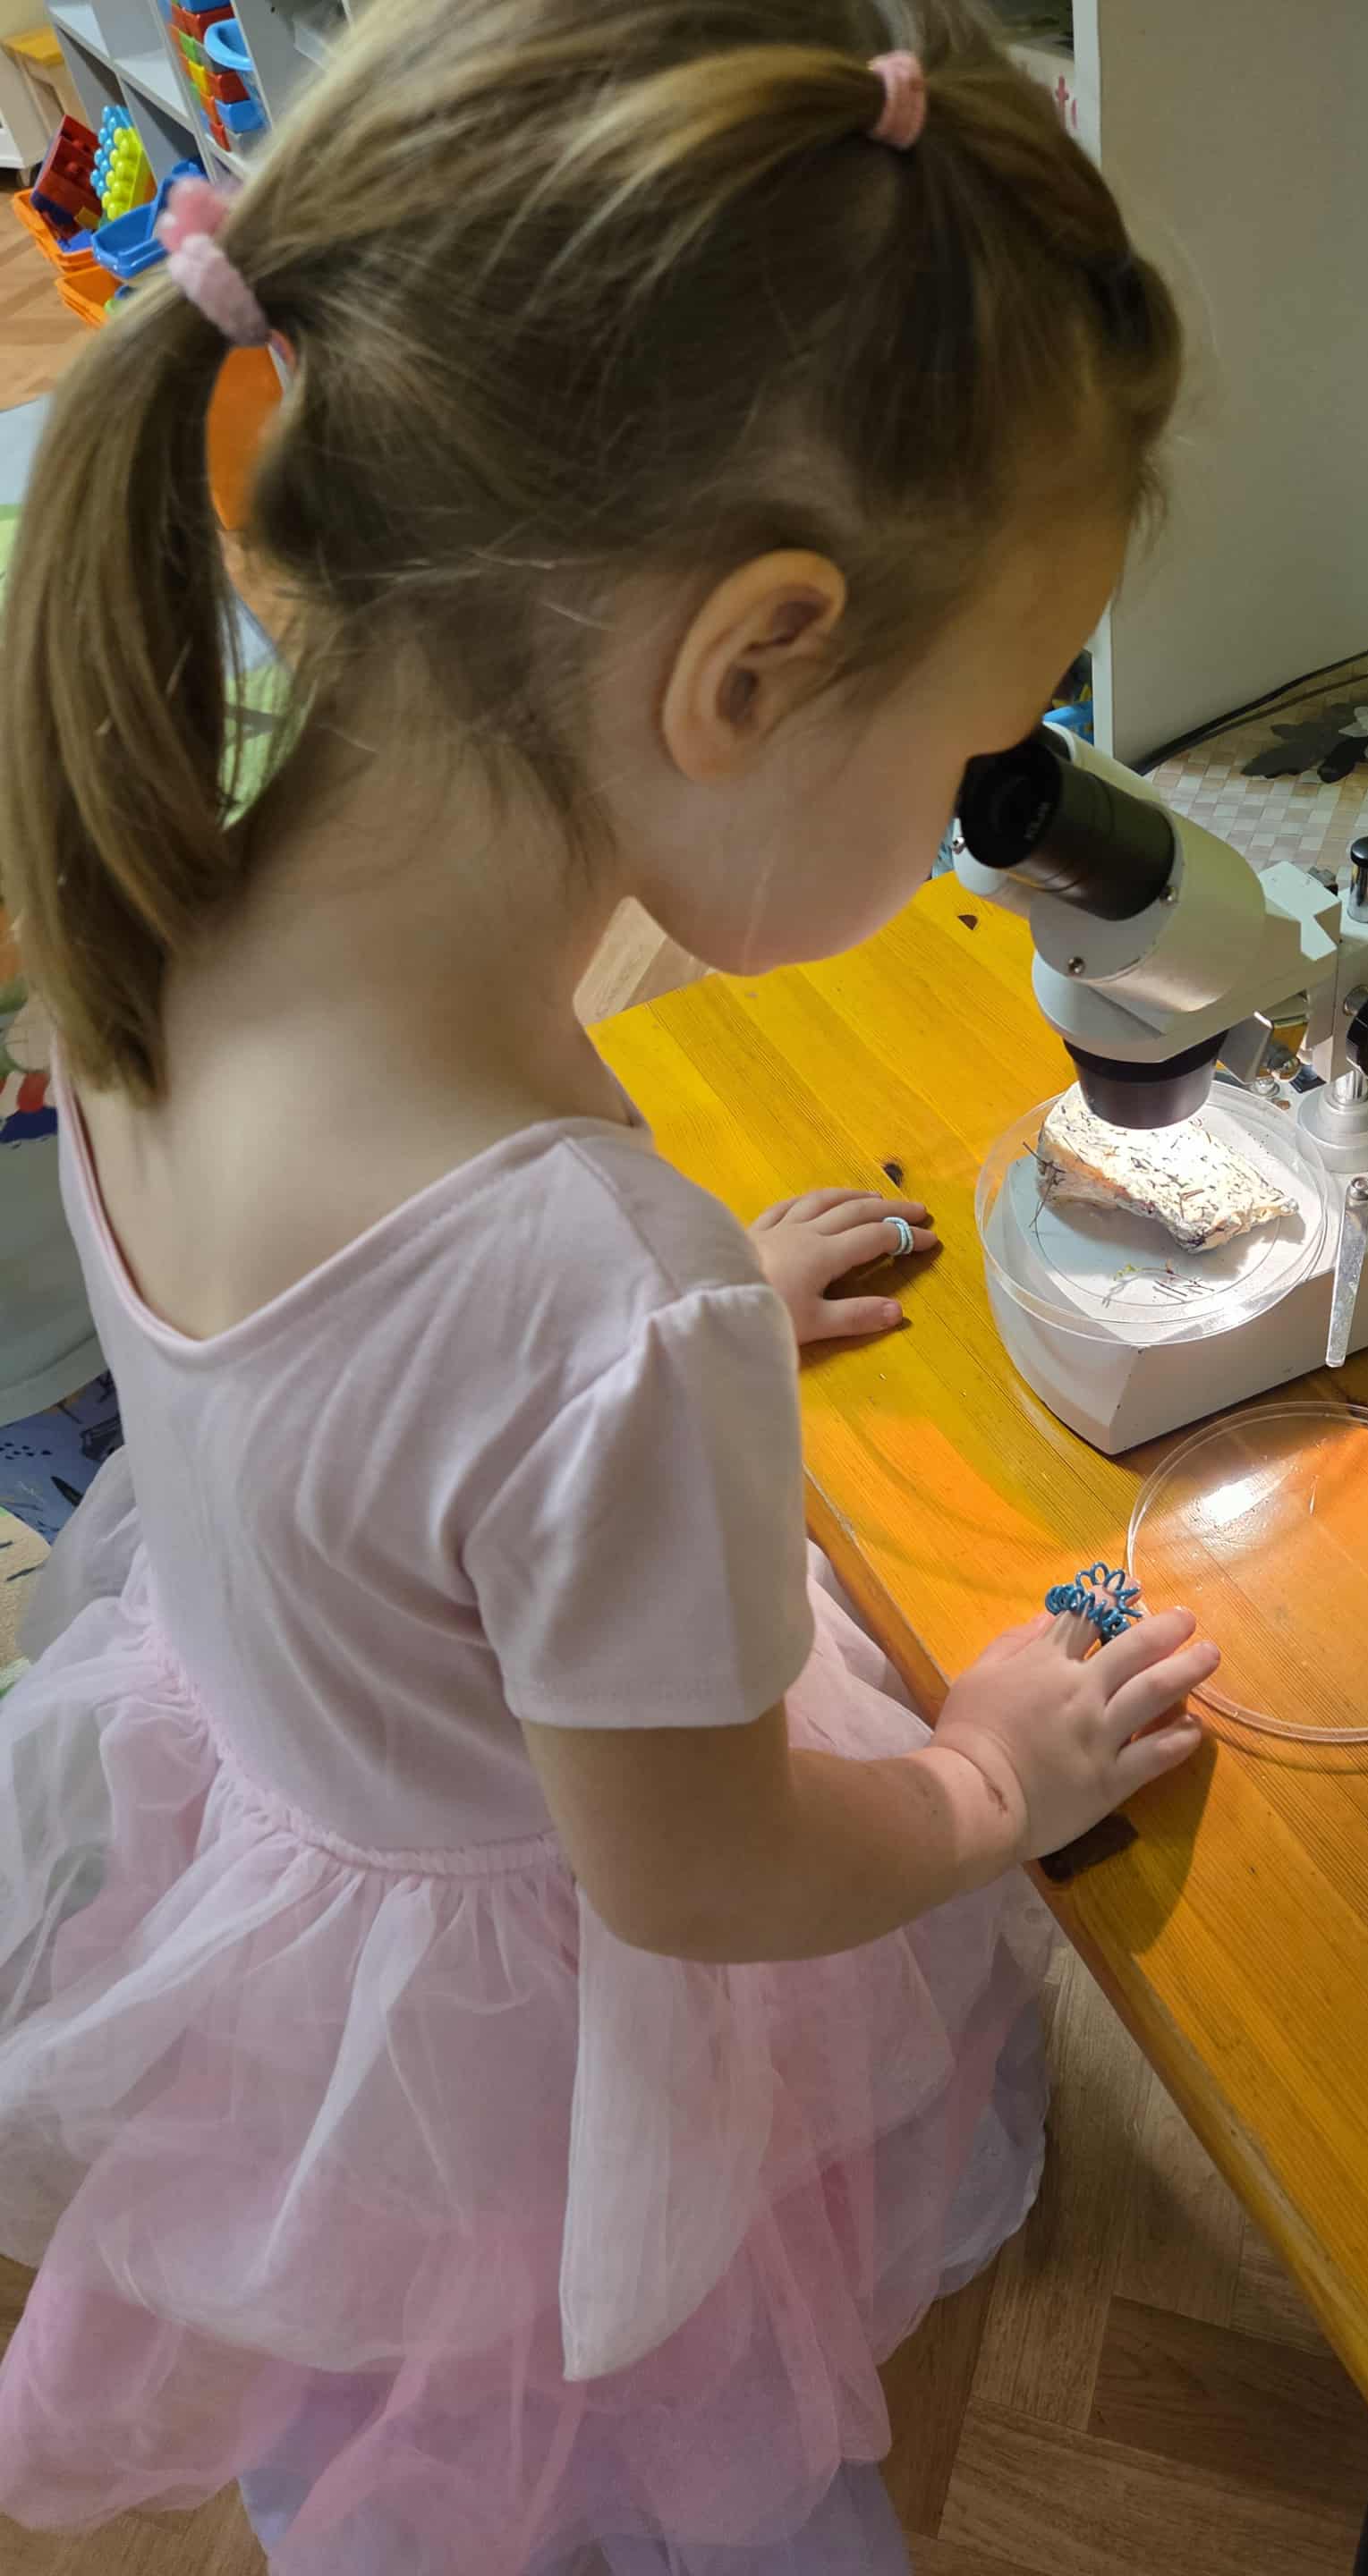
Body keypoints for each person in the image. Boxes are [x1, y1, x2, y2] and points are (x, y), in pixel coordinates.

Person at [0, 4, 1212, 2569]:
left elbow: (357, 1406)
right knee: (634, 2424)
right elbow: (707, 1876)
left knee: (390, 2324)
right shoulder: (593, 1302)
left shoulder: (158, 883)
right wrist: (992, 1780)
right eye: (985, 743)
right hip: (551, 2017)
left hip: (289, 1853)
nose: (986, 809)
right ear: (756, 665)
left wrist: (647, 1367)